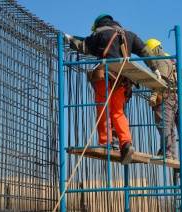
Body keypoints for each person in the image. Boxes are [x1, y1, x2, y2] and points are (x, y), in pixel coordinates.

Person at [65, 14, 161, 165]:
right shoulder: (129, 34)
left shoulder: (100, 32)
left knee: (103, 108)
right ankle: (126, 143)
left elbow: (85, 47)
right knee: (118, 111)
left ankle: (105, 142)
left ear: (98, 24)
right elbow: (144, 51)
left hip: (105, 76)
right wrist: (154, 68)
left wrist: (70, 41)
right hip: (122, 79)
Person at [145, 39, 177, 160]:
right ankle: (170, 152)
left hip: (164, 97)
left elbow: (161, 81)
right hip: (171, 97)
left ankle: (167, 152)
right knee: (168, 126)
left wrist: (154, 94)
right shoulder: (168, 61)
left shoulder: (161, 61)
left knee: (163, 125)